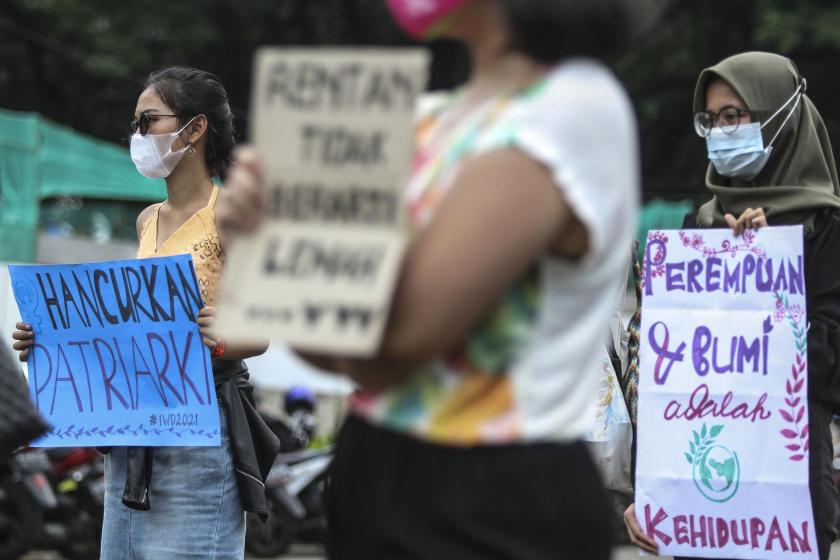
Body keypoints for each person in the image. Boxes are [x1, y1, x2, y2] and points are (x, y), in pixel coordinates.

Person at [219, 1, 645, 557]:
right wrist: (271, 248)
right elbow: (341, 345)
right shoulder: (429, 118)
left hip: (495, 496)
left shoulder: (570, 107)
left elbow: (399, 343)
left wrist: (282, 249)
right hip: (379, 469)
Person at [12, 66, 279, 560]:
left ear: (195, 128)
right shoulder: (146, 220)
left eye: (148, 121)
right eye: (135, 124)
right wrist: (48, 338)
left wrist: (221, 333)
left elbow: (260, 330)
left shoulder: (234, 215)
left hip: (201, 434)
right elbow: (126, 329)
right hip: (135, 433)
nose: (138, 135)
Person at [624, 51, 840, 560]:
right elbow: (661, 376)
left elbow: (829, 364)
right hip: (694, 505)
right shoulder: (696, 232)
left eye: (735, 117)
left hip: (786, 506)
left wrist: (767, 276)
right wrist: (646, 491)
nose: (721, 132)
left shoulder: (826, 233)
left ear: (779, 118)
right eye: (713, 120)